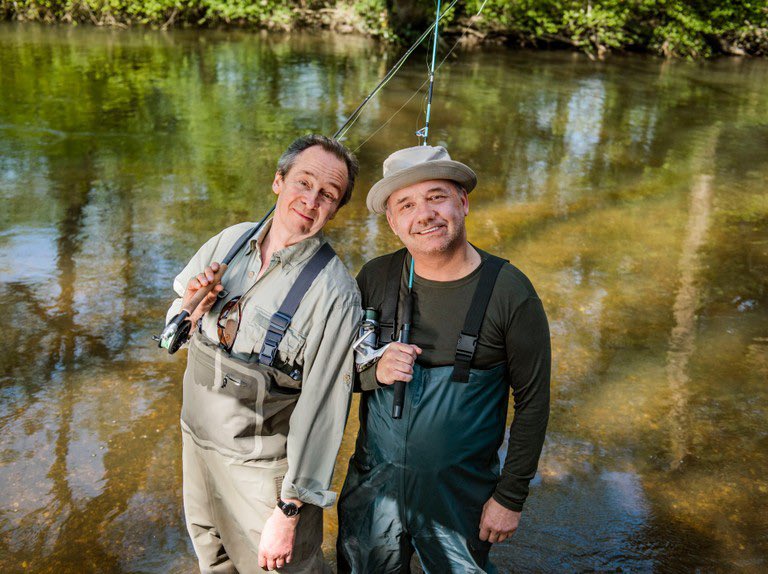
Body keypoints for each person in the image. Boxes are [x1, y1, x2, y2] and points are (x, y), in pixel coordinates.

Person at [337, 145, 551, 573]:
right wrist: (373, 372)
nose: (425, 214)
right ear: (393, 222)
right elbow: (336, 372)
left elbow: (533, 404)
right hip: (373, 487)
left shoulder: (511, 292)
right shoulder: (374, 278)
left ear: (463, 202)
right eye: (407, 204)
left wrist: (510, 497)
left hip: (460, 499)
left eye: (437, 196)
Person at [166, 134, 362, 573]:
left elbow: (324, 412)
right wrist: (188, 311)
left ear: (336, 208)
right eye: (303, 182)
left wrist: (289, 512)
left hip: (264, 481)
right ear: (278, 181)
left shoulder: (335, 293)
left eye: (327, 194)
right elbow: (169, 333)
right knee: (212, 562)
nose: (311, 200)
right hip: (196, 449)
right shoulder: (229, 242)